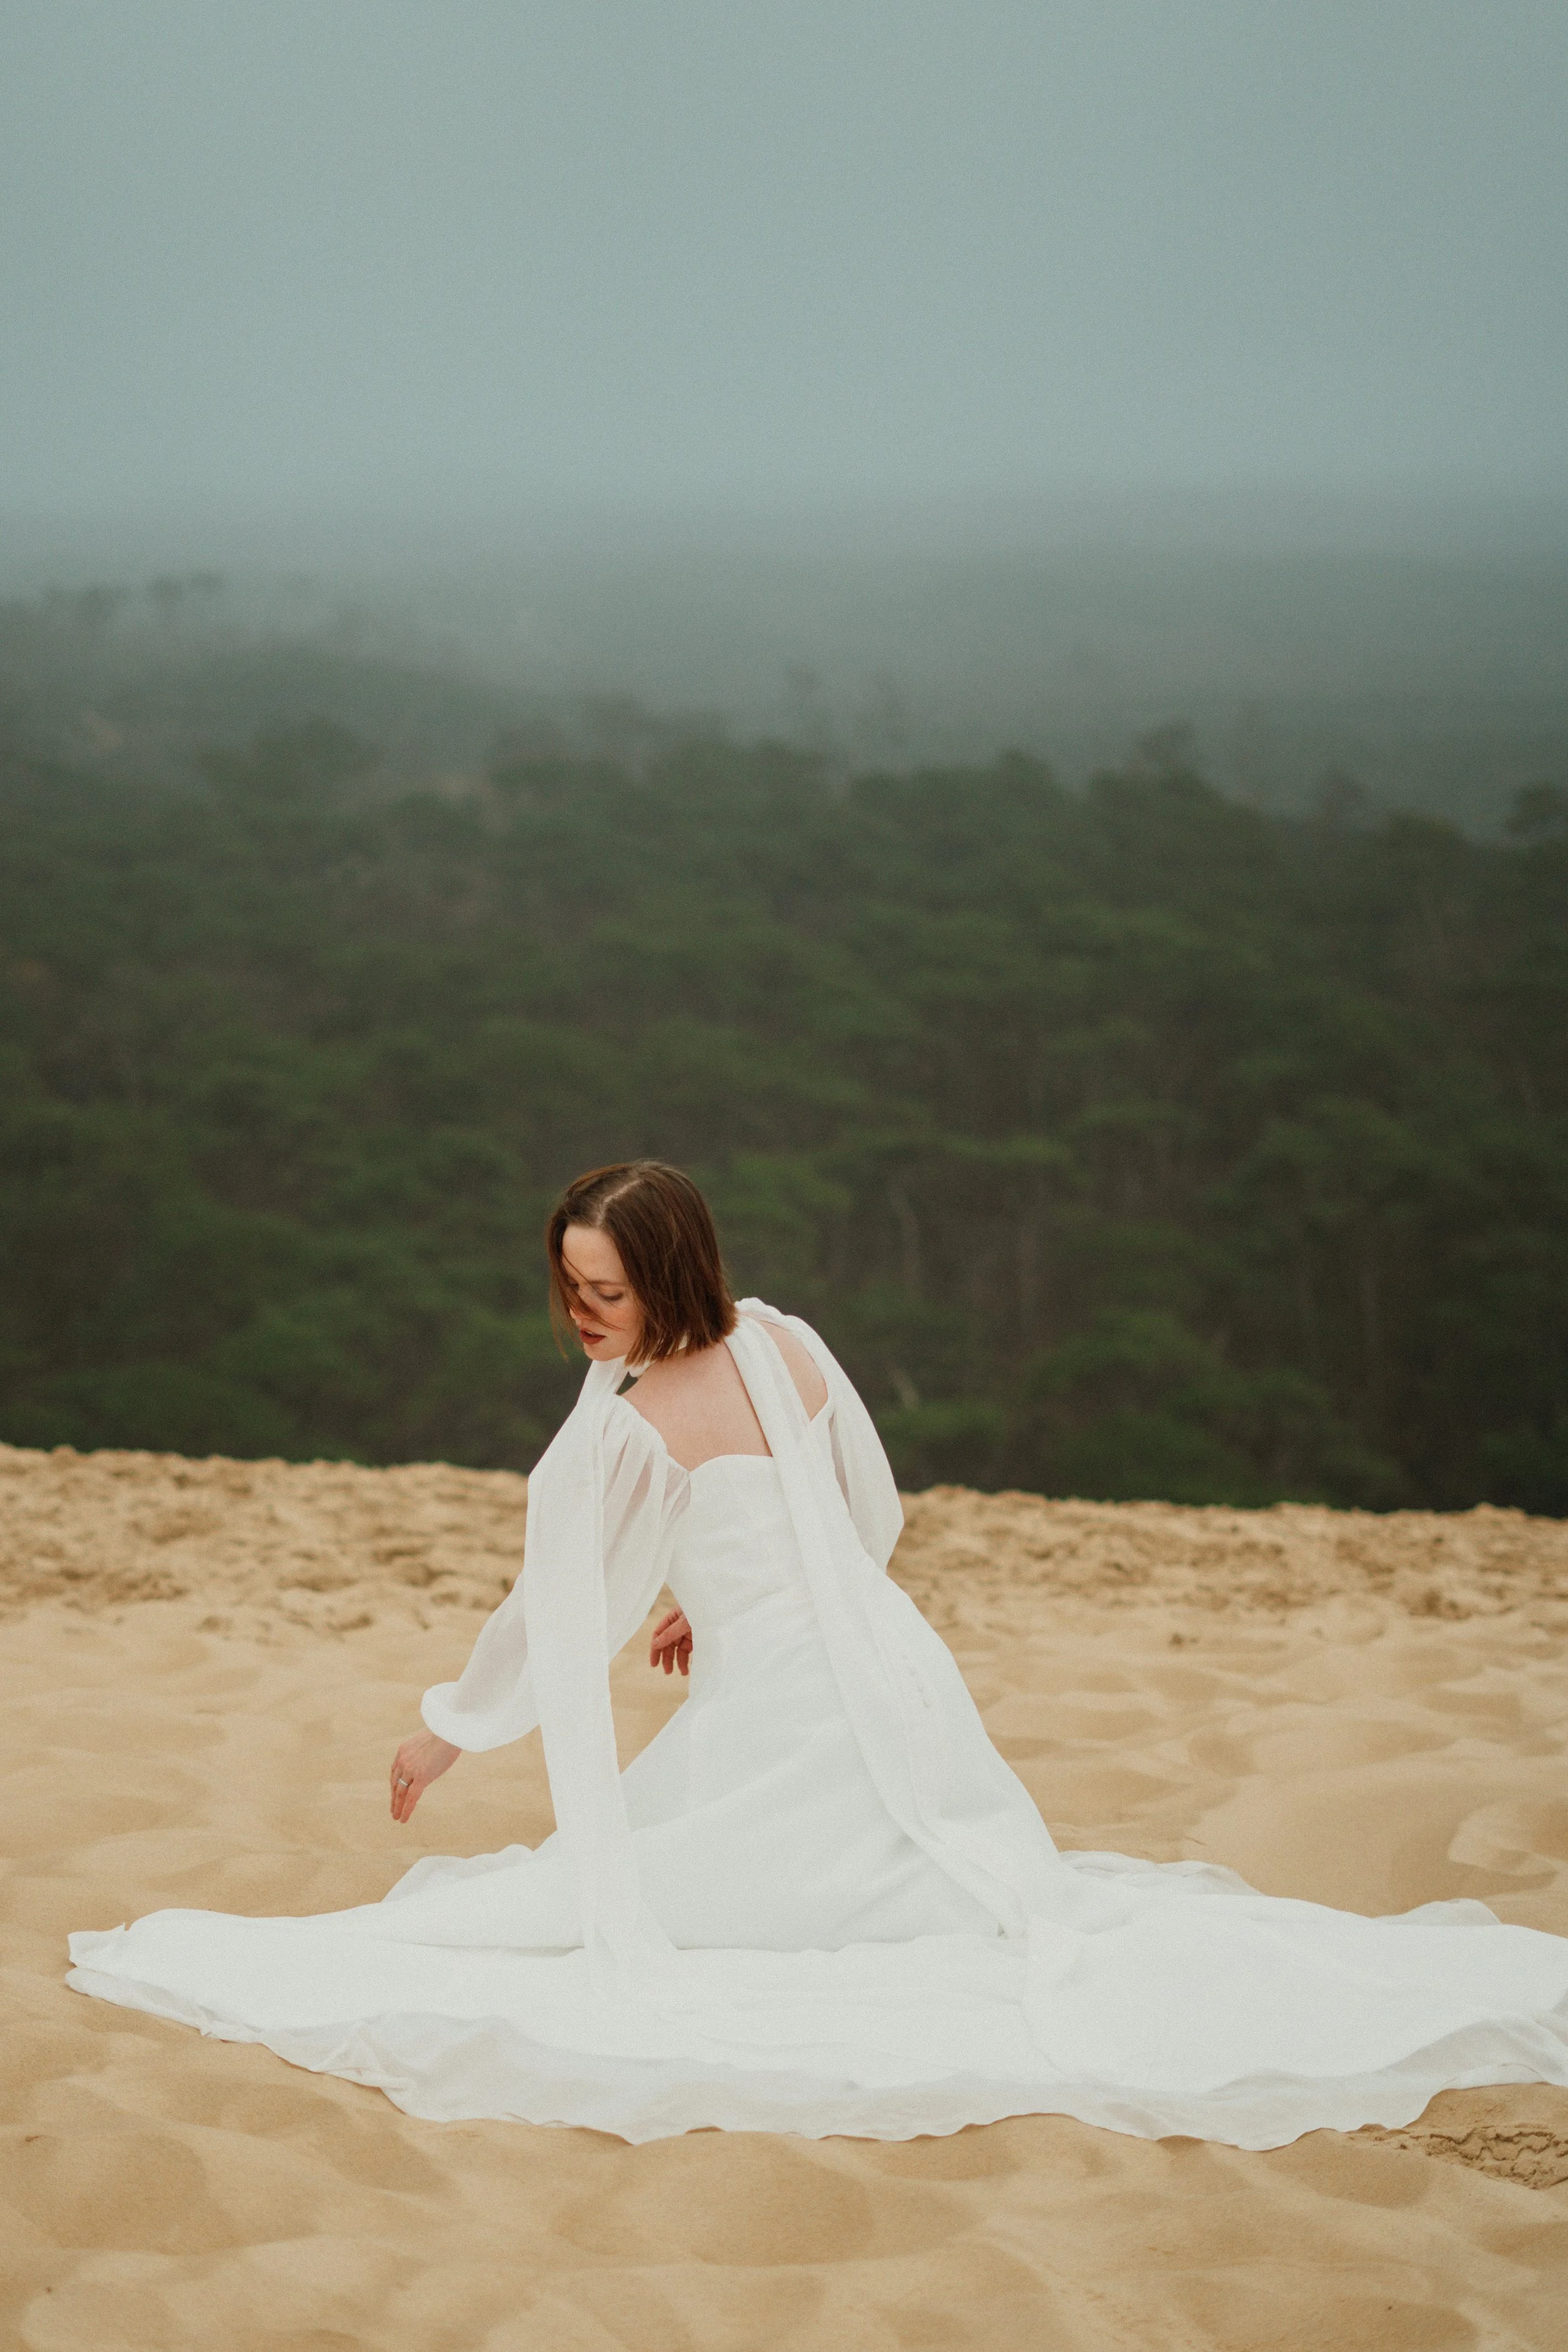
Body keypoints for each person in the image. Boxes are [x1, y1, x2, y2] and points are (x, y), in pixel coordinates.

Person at [69, 1162, 1568, 2146]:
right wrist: (722, 1595)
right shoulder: (785, 1341)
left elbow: (561, 1613)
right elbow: (863, 1504)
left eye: (605, 1287)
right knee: (943, 1891)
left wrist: (450, 1729)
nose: (581, 1314)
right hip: (889, 1659)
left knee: (640, 1926)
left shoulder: (632, 1427)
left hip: (786, 1705)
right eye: (569, 1285)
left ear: (668, 1272)